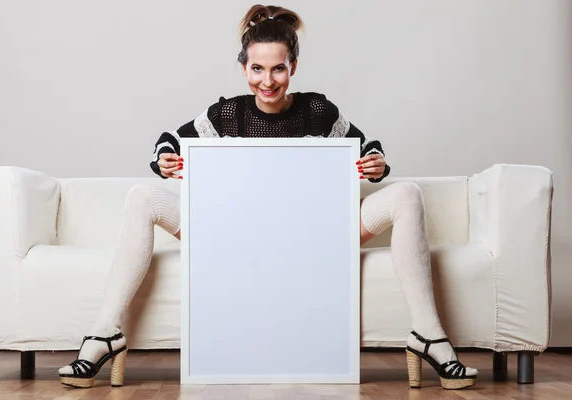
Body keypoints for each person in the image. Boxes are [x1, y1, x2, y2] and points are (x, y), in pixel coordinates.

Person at [58, 4, 478, 390]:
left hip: (317, 237)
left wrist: (375, 163)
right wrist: (166, 159)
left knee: (406, 193)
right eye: (257, 69)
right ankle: (105, 333)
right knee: (142, 195)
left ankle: (428, 335)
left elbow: (367, 147)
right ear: (243, 68)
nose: (267, 81)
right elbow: (168, 140)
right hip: (235, 239)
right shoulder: (229, 114)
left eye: (278, 69)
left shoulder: (318, 110)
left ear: (293, 67)